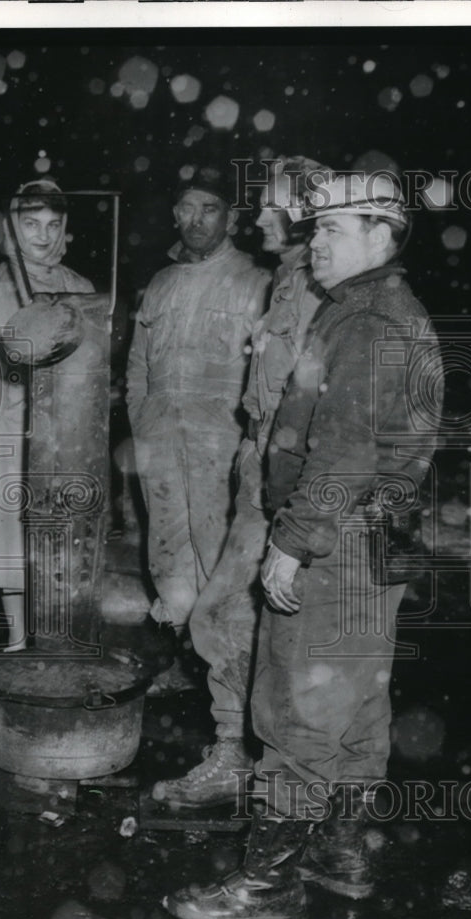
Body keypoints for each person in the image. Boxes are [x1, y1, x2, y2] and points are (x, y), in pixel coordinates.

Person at [163, 172, 442, 919]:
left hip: (340, 543)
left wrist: (291, 544)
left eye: (331, 230)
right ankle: (341, 854)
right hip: (382, 541)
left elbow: (345, 452)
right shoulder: (382, 311)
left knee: (295, 710)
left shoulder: (366, 322)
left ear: (381, 235)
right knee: (357, 707)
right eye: (312, 228)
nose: (312, 240)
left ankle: (265, 886)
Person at [152, 156, 330, 809]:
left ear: (306, 214)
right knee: (242, 614)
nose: (256, 217)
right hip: (261, 465)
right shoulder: (288, 281)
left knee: (232, 611)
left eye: (270, 207)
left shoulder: (314, 289)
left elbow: (320, 401)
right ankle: (249, 757)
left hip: (288, 474)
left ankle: (256, 765)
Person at [126, 166, 270, 690]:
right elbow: (138, 367)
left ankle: (232, 681)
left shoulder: (257, 282)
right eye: (186, 208)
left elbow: (268, 375)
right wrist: (142, 422)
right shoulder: (161, 284)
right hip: (160, 442)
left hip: (222, 446)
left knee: (221, 559)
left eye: (209, 209)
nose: (196, 220)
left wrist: (248, 443)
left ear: (232, 218)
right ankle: (187, 665)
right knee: (167, 553)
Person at [0, 179, 94, 651]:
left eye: (53, 225)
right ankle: (17, 635)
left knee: (57, 533)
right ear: (14, 225)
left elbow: (90, 368)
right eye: (31, 224)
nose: (42, 235)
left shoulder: (79, 288)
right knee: (10, 538)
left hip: (65, 430)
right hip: (6, 428)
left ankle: (57, 633)